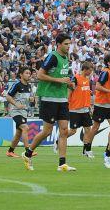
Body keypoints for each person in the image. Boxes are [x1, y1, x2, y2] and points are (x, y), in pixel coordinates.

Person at [22, 33, 75, 172]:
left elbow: (62, 77)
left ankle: (62, 164)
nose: (68, 46)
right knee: (47, 131)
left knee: (64, 130)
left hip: (62, 98)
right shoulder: (52, 56)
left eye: (70, 44)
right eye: (66, 44)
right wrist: (59, 81)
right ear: (58, 44)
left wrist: (69, 84)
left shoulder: (65, 59)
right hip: (49, 98)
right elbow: (40, 75)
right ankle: (28, 153)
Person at [84, 54, 110, 158]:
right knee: (95, 127)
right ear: (108, 63)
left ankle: (108, 150)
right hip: (101, 104)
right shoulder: (105, 72)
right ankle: (87, 148)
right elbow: (98, 87)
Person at [6, 66, 34, 158]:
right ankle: (28, 151)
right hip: (15, 111)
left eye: (29, 73)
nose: (28, 75)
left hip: (24, 112)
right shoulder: (16, 84)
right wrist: (16, 104)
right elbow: (8, 96)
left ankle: (10, 151)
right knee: (25, 128)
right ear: (21, 75)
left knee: (18, 133)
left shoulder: (29, 86)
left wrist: (32, 100)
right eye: (26, 73)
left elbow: (30, 100)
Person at [67, 63, 94, 158]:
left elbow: (86, 93)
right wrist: (66, 103)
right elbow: (70, 91)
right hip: (75, 109)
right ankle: (59, 140)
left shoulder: (87, 80)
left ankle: (85, 150)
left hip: (85, 109)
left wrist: (90, 106)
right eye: (90, 70)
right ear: (85, 69)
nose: (91, 72)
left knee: (88, 130)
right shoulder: (75, 78)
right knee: (73, 131)